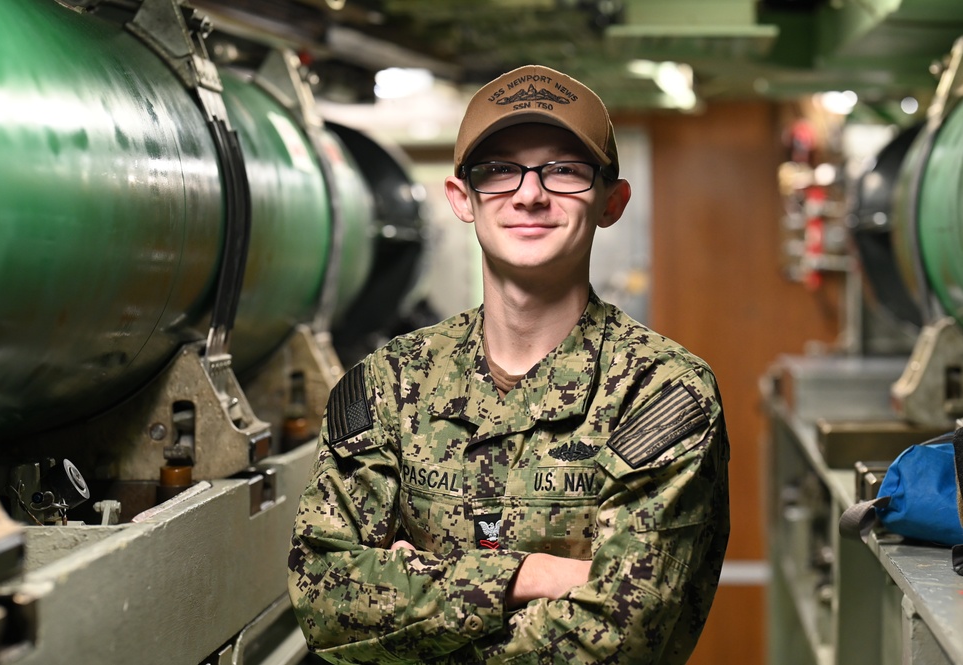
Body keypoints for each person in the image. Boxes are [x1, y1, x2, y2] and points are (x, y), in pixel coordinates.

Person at [287, 64, 731, 664]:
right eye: (498, 171)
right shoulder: (389, 381)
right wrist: (533, 574)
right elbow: (324, 600)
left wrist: (421, 595)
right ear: (460, 198)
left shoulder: (660, 394)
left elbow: (622, 635)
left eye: (564, 170)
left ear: (612, 201)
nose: (528, 193)